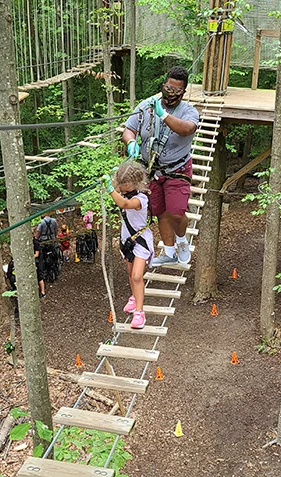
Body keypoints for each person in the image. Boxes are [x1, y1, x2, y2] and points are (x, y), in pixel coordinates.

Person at [122, 65, 199, 266]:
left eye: (176, 90)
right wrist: (131, 142)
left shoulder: (188, 111)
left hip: (177, 169)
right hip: (152, 170)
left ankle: (182, 240)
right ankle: (170, 251)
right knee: (160, 212)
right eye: (167, 88)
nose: (170, 93)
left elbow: (187, 129)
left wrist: (163, 115)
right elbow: (129, 129)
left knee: (175, 212)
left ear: (183, 91)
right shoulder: (146, 106)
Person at [104, 161, 153, 329]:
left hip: (141, 240)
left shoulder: (141, 198)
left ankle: (139, 312)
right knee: (131, 274)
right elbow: (116, 189)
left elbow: (124, 204)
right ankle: (134, 296)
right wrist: (112, 179)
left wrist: (111, 190)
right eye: (122, 185)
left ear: (136, 183)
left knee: (137, 276)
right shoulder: (124, 192)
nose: (122, 188)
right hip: (128, 241)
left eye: (125, 185)